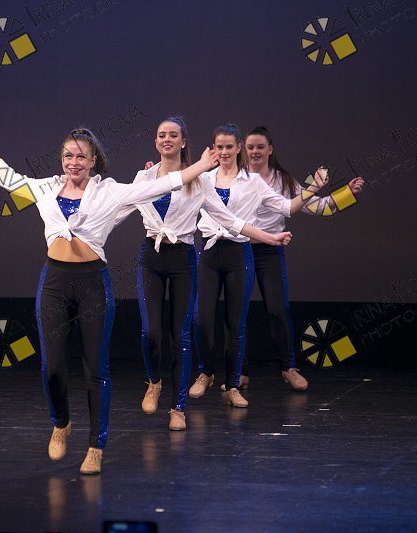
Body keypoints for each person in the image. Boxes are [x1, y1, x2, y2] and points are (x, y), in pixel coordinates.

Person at [0, 118, 218, 474]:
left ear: (93, 161)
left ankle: (95, 445)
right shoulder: (45, 188)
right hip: (55, 283)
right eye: (68, 156)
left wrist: (201, 165)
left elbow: (164, 183)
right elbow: (4, 177)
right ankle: (61, 423)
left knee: (95, 370)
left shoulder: (109, 192)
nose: (73, 162)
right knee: (52, 368)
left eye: (81, 157)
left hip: (92, 285)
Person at [115, 117, 293, 431]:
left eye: (173, 135)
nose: (167, 139)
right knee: (151, 331)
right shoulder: (144, 176)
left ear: (183, 141)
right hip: (151, 257)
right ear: (155, 142)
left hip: (183, 259)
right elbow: (121, 206)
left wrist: (270, 237)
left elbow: (229, 220)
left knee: (180, 336)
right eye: (161, 135)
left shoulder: (199, 180)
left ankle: (178, 407)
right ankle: (154, 382)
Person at [188, 124, 325, 407]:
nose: (224, 152)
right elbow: (175, 190)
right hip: (210, 252)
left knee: (235, 323)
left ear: (238, 148)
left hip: (239, 253)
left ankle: (234, 385)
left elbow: (287, 208)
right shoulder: (204, 178)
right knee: (201, 319)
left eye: (229, 146)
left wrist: (313, 188)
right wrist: (153, 173)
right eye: (219, 147)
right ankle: (206, 372)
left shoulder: (253, 182)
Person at [237, 125, 364, 391]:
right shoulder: (235, 178)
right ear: (243, 150)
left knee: (278, 310)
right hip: (239, 249)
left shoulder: (284, 180)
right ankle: (240, 371)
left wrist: (347, 194)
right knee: (238, 312)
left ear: (270, 150)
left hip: (270, 251)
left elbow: (317, 206)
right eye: (250, 147)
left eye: (260, 146)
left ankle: (289, 368)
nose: (255, 151)